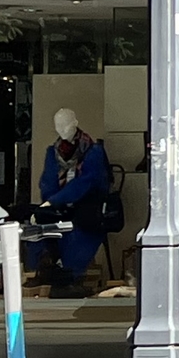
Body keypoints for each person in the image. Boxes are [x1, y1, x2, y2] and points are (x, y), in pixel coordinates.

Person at [33, 108, 111, 295]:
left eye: (65, 124)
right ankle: (48, 269)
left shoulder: (93, 151)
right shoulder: (53, 152)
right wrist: (51, 204)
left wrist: (56, 201)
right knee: (35, 226)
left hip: (87, 208)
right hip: (61, 207)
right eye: (58, 126)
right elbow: (47, 181)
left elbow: (87, 182)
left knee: (80, 232)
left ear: (75, 123)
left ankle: (69, 275)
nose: (62, 129)